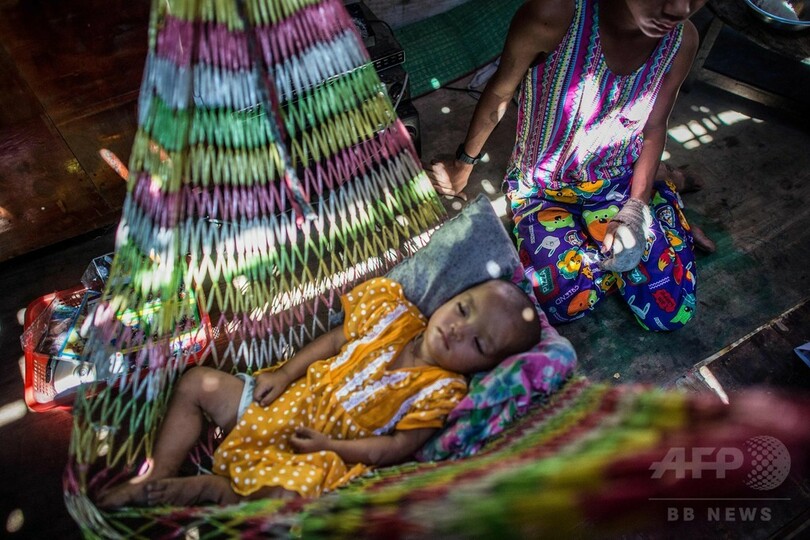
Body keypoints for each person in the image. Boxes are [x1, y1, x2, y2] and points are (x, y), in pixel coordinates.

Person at [97, 276, 542, 507]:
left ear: (486, 366)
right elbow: (334, 341)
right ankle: (157, 476)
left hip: (319, 452)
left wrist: (332, 446)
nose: (458, 330)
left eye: (478, 344)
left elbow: (394, 448)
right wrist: (287, 373)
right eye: (463, 309)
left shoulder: (442, 389)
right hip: (280, 404)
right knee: (197, 383)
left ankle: (217, 492)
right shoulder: (396, 314)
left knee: (284, 504)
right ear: (452, 297)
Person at [429, 0, 710, 330]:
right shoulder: (555, 15)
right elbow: (500, 92)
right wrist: (462, 166)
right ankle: (663, 211)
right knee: (558, 303)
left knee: (669, 314)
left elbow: (654, 126)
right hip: (545, 190)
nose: (679, 8)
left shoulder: (681, 41)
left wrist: (634, 210)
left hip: (621, 179)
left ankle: (654, 200)